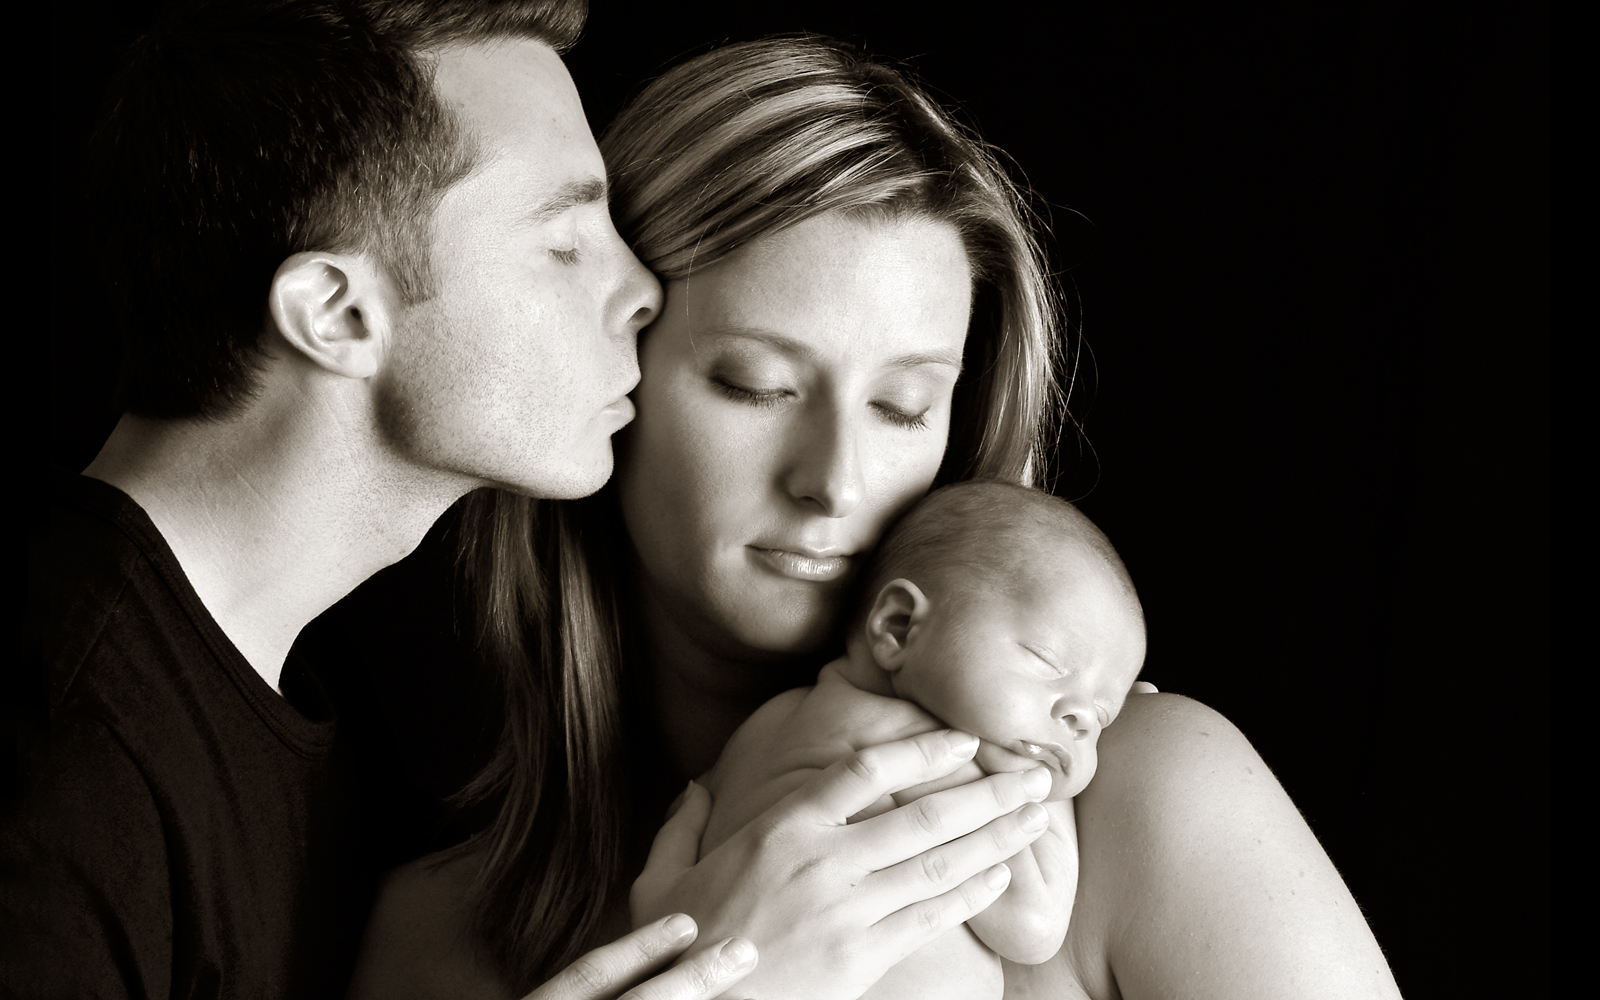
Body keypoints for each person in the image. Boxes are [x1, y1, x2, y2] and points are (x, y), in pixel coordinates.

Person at [344, 32, 1401, 1000]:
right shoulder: (434, 936)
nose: (834, 481)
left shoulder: (1141, 796)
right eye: (755, 385)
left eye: (903, 406)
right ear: (609, 367)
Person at [4, 2, 843, 997]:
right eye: (565, 243)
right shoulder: (53, 760)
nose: (642, 288)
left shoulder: (297, 698)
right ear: (335, 312)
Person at [699, 480, 1151, 999]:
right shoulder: (927, 758)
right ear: (898, 626)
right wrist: (1042, 792)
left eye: (1102, 715)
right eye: (1047, 661)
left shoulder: (764, 728)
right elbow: (1032, 925)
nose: (1078, 720)